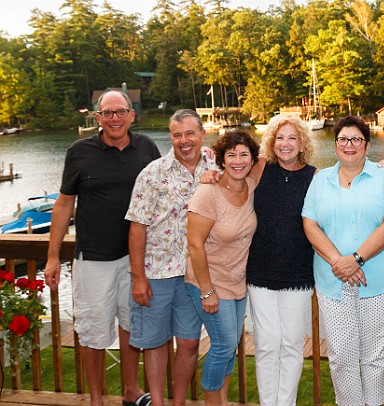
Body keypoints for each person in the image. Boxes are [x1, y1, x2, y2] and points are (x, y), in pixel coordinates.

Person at [44, 90, 160, 406]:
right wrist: (53, 256)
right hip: (93, 259)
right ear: (98, 118)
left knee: (130, 324)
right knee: (93, 331)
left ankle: (130, 390)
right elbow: (64, 203)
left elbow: (166, 188)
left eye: (120, 112)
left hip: (137, 259)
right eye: (107, 113)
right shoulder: (79, 152)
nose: (114, 119)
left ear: (132, 115)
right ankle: (96, 399)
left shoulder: (147, 148)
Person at [302, 115, 384, 406]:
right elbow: (309, 224)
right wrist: (340, 262)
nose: (350, 145)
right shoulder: (320, 180)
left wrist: (357, 259)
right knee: (341, 355)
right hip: (332, 281)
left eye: (356, 139)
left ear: (367, 145)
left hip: (381, 281)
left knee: (377, 356)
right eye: (343, 140)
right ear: (335, 146)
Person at [125, 109, 217, 406]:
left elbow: (252, 168)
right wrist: (138, 277)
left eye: (190, 133)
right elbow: (137, 226)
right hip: (157, 273)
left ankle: (178, 403)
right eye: (177, 135)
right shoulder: (152, 173)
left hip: (194, 275)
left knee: (189, 342)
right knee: (155, 342)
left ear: (203, 134)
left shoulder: (218, 165)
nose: (184, 140)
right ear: (171, 137)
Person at [185, 129, 259, 406]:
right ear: (221, 160)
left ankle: (222, 400)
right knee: (224, 346)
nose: (238, 161)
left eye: (244, 155)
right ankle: (211, 401)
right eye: (231, 155)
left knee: (230, 347)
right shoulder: (208, 193)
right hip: (209, 282)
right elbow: (194, 245)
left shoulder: (251, 186)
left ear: (253, 160)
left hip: (237, 283)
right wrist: (207, 292)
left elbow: (283, 159)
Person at [246, 115, 317, 406]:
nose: (285, 144)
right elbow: (229, 173)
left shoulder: (315, 176)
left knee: (291, 345)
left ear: (301, 143)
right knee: (266, 344)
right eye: (279, 138)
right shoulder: (260, 167)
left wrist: (383, 168)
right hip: (260, 272)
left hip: (298, 273)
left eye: (292, 138)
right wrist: (211, 174)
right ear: (271, 143)